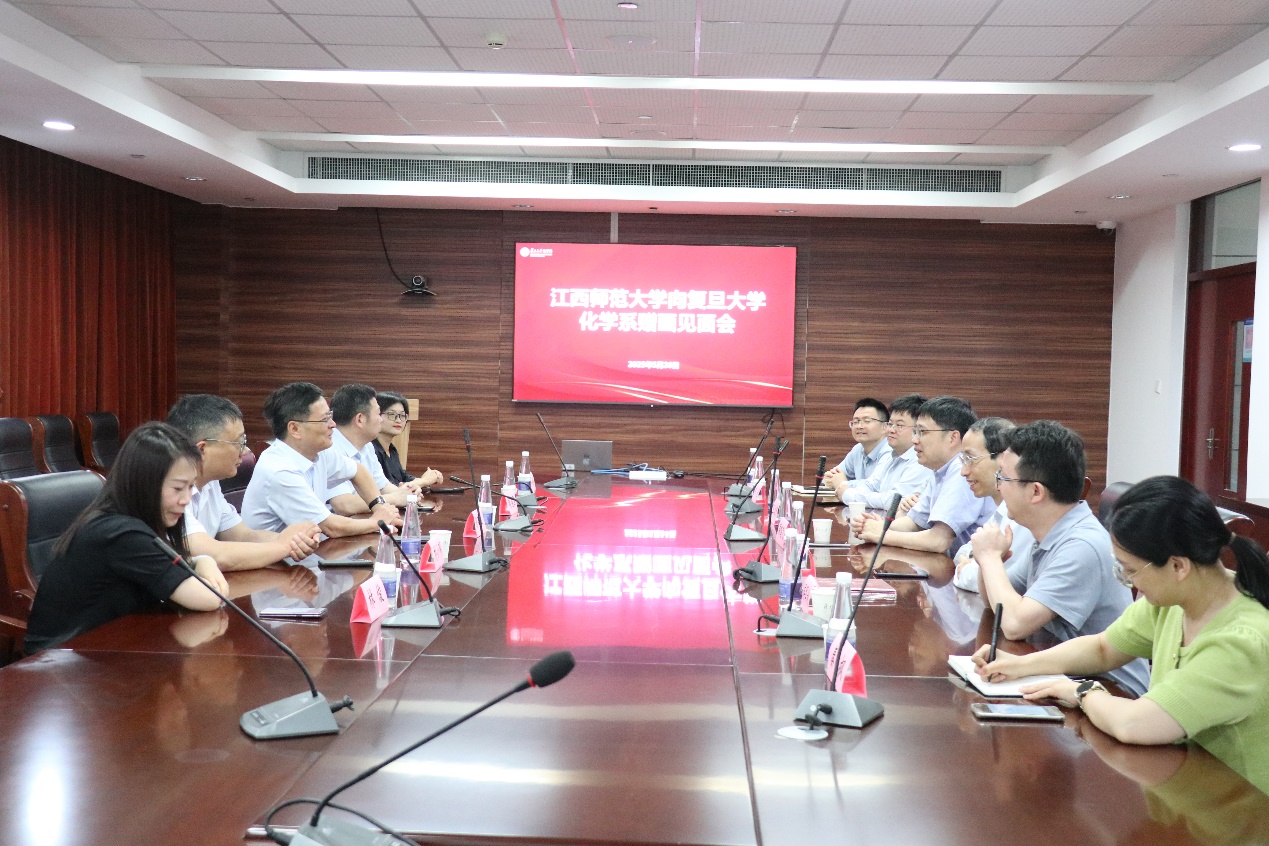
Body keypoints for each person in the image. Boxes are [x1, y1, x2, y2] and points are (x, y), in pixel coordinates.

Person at [973, 476, 1269, 794]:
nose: (1128, 581)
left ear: (1178, 566)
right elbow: (1103, 648)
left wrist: (1082, 691)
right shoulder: (1178, 598)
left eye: (1130, 570)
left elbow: (1134, 724)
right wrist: (1021, 665)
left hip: (1234, 809)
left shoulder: (1239, 642)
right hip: (1181, 784)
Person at [970, 420, 1148, 696]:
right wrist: (987, 562)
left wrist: (990, 558)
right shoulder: (1048, 532)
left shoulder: (1081, 546)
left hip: (1110, 690)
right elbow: (997, 607)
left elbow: (1014, 625)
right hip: (1062, 673)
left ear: (1036, 492)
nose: (999, 487)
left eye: (1003, 478)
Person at [24, 422, 227, 654]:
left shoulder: (125, 522)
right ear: (145, 484)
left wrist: (202, 560)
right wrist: (204, 563)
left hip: (104, 647)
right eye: (178, 488)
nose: (186, 499)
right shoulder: (122, 534)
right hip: (60, 660)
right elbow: (209, 599)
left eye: (191, 487)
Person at [167, 394, 322, 569]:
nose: (246, 450)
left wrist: (292, 539)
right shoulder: (169, 491)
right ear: (202, 449)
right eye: (238, 442)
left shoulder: (210, 483)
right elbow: (216, 555)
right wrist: (283, 547)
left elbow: (242, 535)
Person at [240, 382, 400, 537]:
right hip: (274, 554)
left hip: (308, 548)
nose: (333, 424)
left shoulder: (319, 451)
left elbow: (358, 471)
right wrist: (377, 522)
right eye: (325, 419)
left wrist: (379, 508)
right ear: (295, 429)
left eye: (330, 416)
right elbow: (330, 526)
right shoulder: (280, 470)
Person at [855, 395, 993, 555]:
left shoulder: (960, 470)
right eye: (915, 432)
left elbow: (938, 541)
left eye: (922, 432)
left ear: (952, 437)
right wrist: (879, 525)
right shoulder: (940, 470)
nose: (915, 440)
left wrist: (882, 535)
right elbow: (913, 523)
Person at [950, 417, 1034, 592]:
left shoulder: (1025, 513)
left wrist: (966, 569)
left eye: (971, 458)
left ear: (1003, 458)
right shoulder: (1002, 509)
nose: (963, 471)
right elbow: (962, 553)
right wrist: (971, 563)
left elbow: (996, 582)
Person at [825, 393, 932, 510]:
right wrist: (844, 487)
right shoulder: (892, 456)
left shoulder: (921, 461)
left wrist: (848, 494)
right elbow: (871, 485)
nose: (891, 430)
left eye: (899, 425)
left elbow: (893, 500)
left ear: (919, 429)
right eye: (890, 424)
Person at [324, 383, 417, 515]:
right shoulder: (329, 447)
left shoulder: (367, 446)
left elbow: (383, 486)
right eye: (378, 414)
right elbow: (345, 505)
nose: (381, 420)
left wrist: (408, 493)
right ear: (360, 419)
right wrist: (395, 498)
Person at [373, 391, 443, 490]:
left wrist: (429, 478)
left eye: (402, 416)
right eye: (392, 414)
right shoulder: (370, 450)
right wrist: (424, 481)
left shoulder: (391, 449)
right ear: (376, 416)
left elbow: (403, 478)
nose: (398, 420)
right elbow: (388, 489)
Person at [830, 397, 891, 482]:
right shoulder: (858, 449)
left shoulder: (891, 451)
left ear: (885, 427)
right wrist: (833, 479)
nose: (859, 426)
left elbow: (875, 485)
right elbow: (831, 476)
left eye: (867, 421)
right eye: (856, 421)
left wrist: (843, 483)